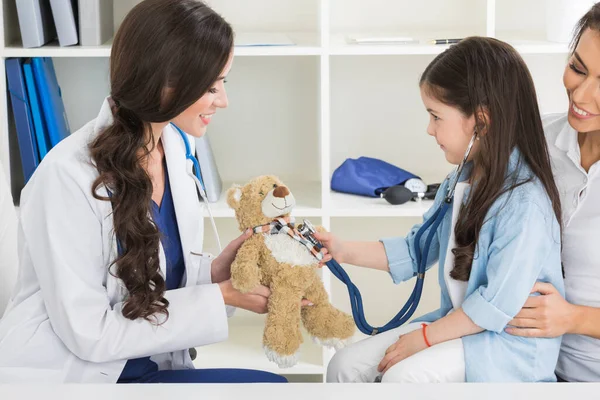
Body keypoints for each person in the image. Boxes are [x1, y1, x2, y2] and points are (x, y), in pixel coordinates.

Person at [0, 0, 316, 383]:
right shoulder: (65, 178)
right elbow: (90, 334)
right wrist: (222, 297)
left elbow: (155, 274)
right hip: (80, 376)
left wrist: (218, 272)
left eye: (223, 83)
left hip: (151, 363)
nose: (223, 100)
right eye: (211, 86)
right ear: (164, 84)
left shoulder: (175, 147)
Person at [321, 36, 564, 383]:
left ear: (481, 121)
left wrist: (422, 339)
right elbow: (416, 250)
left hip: (506, 348)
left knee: (402, 378)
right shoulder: (459, 181)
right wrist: (341, 250)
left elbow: (494, 306)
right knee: (343, 365)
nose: (429, 129)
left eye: (436, 116)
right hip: (461, 328)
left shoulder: (525, 203)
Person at [507, 3, 600, 383]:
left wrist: (574, 318)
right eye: (578, 68)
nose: (581, 95)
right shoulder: (533, 140)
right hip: (520, 360)